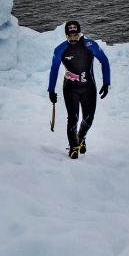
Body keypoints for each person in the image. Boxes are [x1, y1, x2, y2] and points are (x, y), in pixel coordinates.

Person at [47, 20, 111, 159]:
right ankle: (74, 146)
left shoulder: (90, 45)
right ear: (66, 35)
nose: (73, 38)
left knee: (89, 118)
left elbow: (104, 61)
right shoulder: (60, 50)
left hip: (89, 88)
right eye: (70, 36)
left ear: (80, 33)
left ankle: (81, 139)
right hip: (70, 89)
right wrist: (51, 90)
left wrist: (106, 83)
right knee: (73, 118)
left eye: (76, 35)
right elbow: (54, 70)